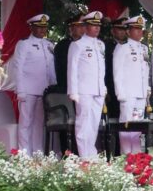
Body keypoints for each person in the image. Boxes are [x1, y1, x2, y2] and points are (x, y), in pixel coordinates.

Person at [9, 14, 57, 155]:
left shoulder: (49, 45)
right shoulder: (24, 44)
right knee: (26, 123)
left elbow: (51, 69)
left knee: (38, 124)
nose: (43, 30)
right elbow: (18, 67)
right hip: (28, 89)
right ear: (32, 27)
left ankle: (37, 153)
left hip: (44, 90)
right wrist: (20, 89)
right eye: (39, 27)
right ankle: (24, 154)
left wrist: (53, 87)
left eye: (44, 27)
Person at [67, 11, 106, 159]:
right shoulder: (77, 45)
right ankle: (84, 155)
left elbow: (101, 69)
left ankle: (91, 153)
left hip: (98, 89)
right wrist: (73, 91)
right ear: (85, 26)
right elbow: (72, 69)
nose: (96, 28)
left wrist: (103, 87)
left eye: (98, 25)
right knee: (83, 123)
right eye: (93, 25)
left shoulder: (101, 45)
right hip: (83, 89)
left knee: (94, 123)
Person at [113, 16, 150, 154]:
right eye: (136, 29)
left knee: (138, 127)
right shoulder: (122, 47)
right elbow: (117, 72)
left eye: (141, 29)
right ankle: (125, 155)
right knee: (126, 125)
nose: (139, 32)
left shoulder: (144, 49)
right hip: (127, 93)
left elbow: (145, 71)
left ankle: (136, 156)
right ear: (128, 31)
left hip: (140, 93)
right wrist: (120, 92)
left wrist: (146, 90)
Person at [54, 14, 85, 93]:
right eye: (79, 25)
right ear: (71, 28)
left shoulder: (88, 44)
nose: (83, 28)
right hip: (69, 90)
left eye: (84, 25)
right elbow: (64, 69)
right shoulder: (63, 45)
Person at [104, 18, 128, 120]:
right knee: (113, 118)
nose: (123, 32)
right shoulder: (106, 46)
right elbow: (104, 70)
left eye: (124, 29)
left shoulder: (129, 47)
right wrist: (106, 90)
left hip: (127, 89)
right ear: (113, 30)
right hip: (111, 89)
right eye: (120, 29)